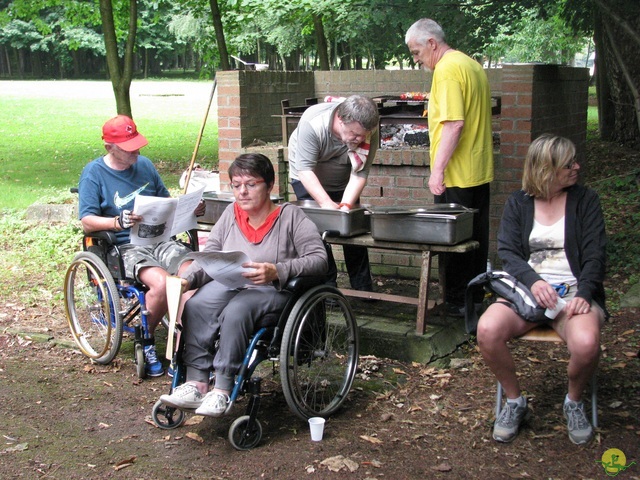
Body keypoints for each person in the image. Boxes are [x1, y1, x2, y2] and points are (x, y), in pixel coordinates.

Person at [159, 153, 328, 416]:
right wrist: (187, 279)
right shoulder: (231, 213)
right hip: (230, 283)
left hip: (271, 289)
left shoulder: (290, 216)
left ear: (269, 185)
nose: (242, 192)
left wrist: (277, 270)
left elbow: (319, 260)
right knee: (197, 304)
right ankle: (196, 382)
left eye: (251, 184)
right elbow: (211, 253)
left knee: (237, 311)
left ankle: (223, 388)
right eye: (236, 185)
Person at [476, 134, 607, 445]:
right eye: (568, 164)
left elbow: (595, 255)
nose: (577, 167)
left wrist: (585, 294)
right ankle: (514, 401)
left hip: (574, 294)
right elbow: (507, 252)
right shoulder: (518, 203)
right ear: (546, 170)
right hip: (526, 294)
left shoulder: (586, 201)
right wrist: (534, 282)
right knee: (487, 329)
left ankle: (573, 402)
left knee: (587, 343)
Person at [78, 115, 204, 377]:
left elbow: (167, 206)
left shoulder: (145, 166)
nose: (136, 150)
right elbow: (87, 222)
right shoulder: (94, 173)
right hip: (125, 246)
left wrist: (189, 209)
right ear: (109, 147)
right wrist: (116, 221)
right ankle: (145, 339)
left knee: (190, 277)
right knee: (161, 283)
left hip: (161, 240)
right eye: (128, 147)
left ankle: (182, 348)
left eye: (136, 143)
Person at [405, 19, 494, 316]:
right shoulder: (470, 64)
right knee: (476, 238)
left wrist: (437, 170)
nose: (417, 60)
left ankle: (457, 304)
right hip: (478, 170)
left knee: (451, 240)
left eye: (417, 52)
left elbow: (454, 124)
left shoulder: (445, 71)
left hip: (457, 173)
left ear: (432, 43)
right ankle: (475, 299)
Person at [288, 94, 379, 293]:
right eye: (355, 134)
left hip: (343, 177)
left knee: (353, 227)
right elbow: (305, 170)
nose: (360, 140)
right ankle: (327, 289)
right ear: (340, 119)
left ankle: (362, 289)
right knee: (317, 233)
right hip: (308, 177)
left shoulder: (369, 128)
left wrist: (345, 207)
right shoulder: (313, 123)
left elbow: (360, 173)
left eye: (364, 136)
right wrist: (327, 205)